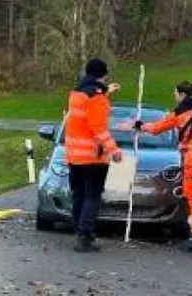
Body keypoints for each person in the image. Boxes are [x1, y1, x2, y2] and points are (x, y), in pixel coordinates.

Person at [119, 80, 192, 254]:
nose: (174, 97)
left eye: (176, 94)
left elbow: (157, 128)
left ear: (182, 95)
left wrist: (137, 125)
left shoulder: (179, 114)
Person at [65, 58, 123, 253]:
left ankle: (81, 231)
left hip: (75, 156)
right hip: (93, 156)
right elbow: (97, 127)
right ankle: (85, 235)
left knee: (79, 195)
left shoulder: (76, 93)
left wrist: (106, 92)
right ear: (103, 75)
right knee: (92, 197)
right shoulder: (97, 97)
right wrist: (113, 149)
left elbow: (85, 112)